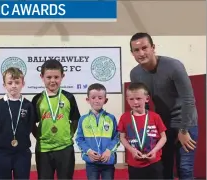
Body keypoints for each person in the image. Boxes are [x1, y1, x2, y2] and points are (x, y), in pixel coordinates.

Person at [129, 32, 198, 179]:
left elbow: (188, 100)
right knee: (164, 169)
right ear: (132, 53)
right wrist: (145, 132)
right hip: (162, 125)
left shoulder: (174, 66)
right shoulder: (135, 74)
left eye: (144, 48)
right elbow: (143, 106)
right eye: (136, 50)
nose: (141, 53)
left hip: (185, 123)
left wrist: (184, 130)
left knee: (184, 169)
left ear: (153, 48)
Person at [32, 60, 81, 179]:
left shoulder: (69, 97)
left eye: (56, 77)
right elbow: (32, 123)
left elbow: (75, 120)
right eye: (48, 77)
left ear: (62, 77)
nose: (52, 80)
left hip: (64, 148)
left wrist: (69, 134)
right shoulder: (37, 99)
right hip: (44, 149)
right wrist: (38, 136)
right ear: (42, 77)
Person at [0, 67, 36, 179]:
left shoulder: (28, 105)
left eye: (17, 82)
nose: (13, 86)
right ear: (4, 85)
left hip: (22, 153)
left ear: (23, 84)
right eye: (10, 83)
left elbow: (30, 126)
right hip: (2, 152)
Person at [118, 82, 167, 179]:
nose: (135, 102)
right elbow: (122, 137)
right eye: (131, 99)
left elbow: (164, 137)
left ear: (147, 99)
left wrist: (155, 151)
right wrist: (131, 150)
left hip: (154, 162)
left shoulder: (155, 117)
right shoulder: (124, 117)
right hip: (134, 164)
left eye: (138, 98)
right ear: (127, 100)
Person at [75, 83, 119, 180]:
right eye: (93, 97)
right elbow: (79, 139)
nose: (96, 101)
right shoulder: (83, 119)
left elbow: (117, 137)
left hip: (108, 161)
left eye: (100, 98)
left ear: (105, 100)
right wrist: (88, 151)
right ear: (88, 100)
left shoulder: (111, 118)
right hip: (91, 162)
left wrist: (109, 151)